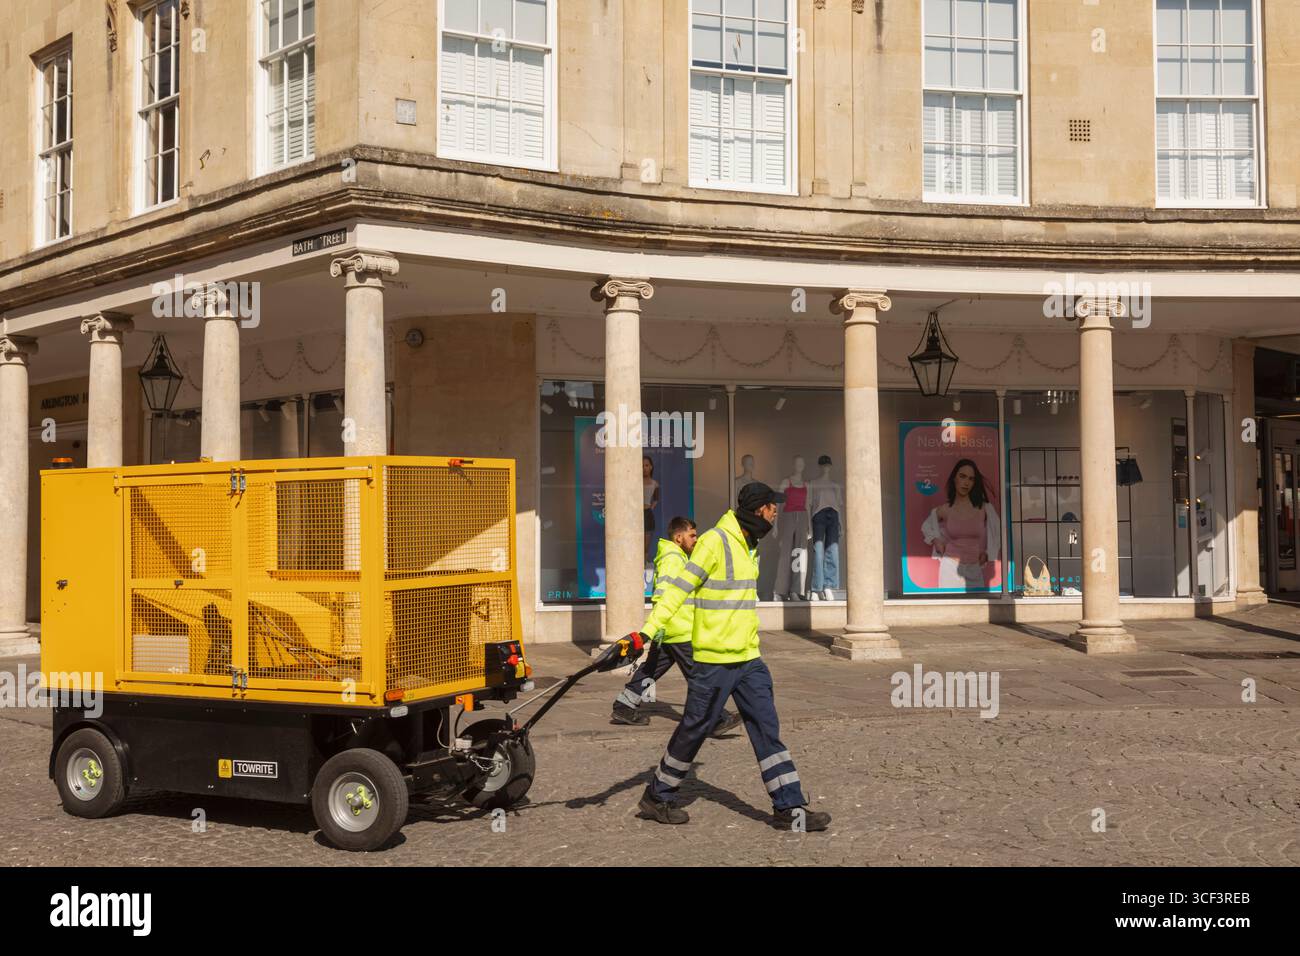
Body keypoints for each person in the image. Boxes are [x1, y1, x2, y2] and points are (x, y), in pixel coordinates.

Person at [632, 483, 831, 831]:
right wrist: (648, 632)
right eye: (772, 508)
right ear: (758, 510)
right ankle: (657, 795)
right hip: (713, 661)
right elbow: (677, 590)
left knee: (768, 730)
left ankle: (789, 807)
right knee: (694, 728)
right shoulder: (714, 542)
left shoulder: (749, 545)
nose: (776, 513)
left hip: (749, 659)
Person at [611, 516, 742, 736]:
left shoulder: (676, 556)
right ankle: (717, 719)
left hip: (669, 630)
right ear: (678, 537)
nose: (696, 539)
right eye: (692, 535)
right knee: (700, 675)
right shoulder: (673, 558)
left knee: (650, 670)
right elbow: (666, 596)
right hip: (679, 629)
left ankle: (624, 706)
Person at [921, 458, 1001, 591]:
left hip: (975, 569)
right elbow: (927, 526)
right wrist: (936, 540)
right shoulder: (945, 509)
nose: (966, 483)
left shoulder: (984, 508)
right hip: (950, 568)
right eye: (962, 476)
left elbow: (998, 531)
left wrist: (988, 553)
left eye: (971, 479)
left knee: (976, 609)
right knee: (948, 609)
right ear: (954, 478)